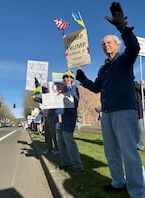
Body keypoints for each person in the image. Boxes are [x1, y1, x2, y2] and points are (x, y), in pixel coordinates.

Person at [76, 2, 145, 198]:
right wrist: (82, 79)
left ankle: (138, 191)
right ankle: (118, 182)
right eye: (104, 43)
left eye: (110, 42)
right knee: (111, 152)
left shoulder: (125, 59)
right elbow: (96, 88)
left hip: (124, 111)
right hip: (106, 114)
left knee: (128, 152)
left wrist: (122, 27)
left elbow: (134, 46)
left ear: (117, 44)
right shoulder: (103, 69)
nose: (106, 44)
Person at [56, 70, 84, 173]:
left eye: (69, 77)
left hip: (69, 119)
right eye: (65, 77)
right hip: (59, 120)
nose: (66, 79)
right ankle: (65, 162)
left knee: (69, 141)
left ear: (72, 79)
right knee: (60, 142)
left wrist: (68, 88)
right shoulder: (59, 90)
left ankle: (78, 166)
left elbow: (75, 102)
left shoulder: (74, 89)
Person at [134, 80, 145, 151]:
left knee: (140, 129)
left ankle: (140, 145)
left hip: (139, 110)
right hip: (129, 110)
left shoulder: (136, 84)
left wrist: (143, 85)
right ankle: (133, 144)